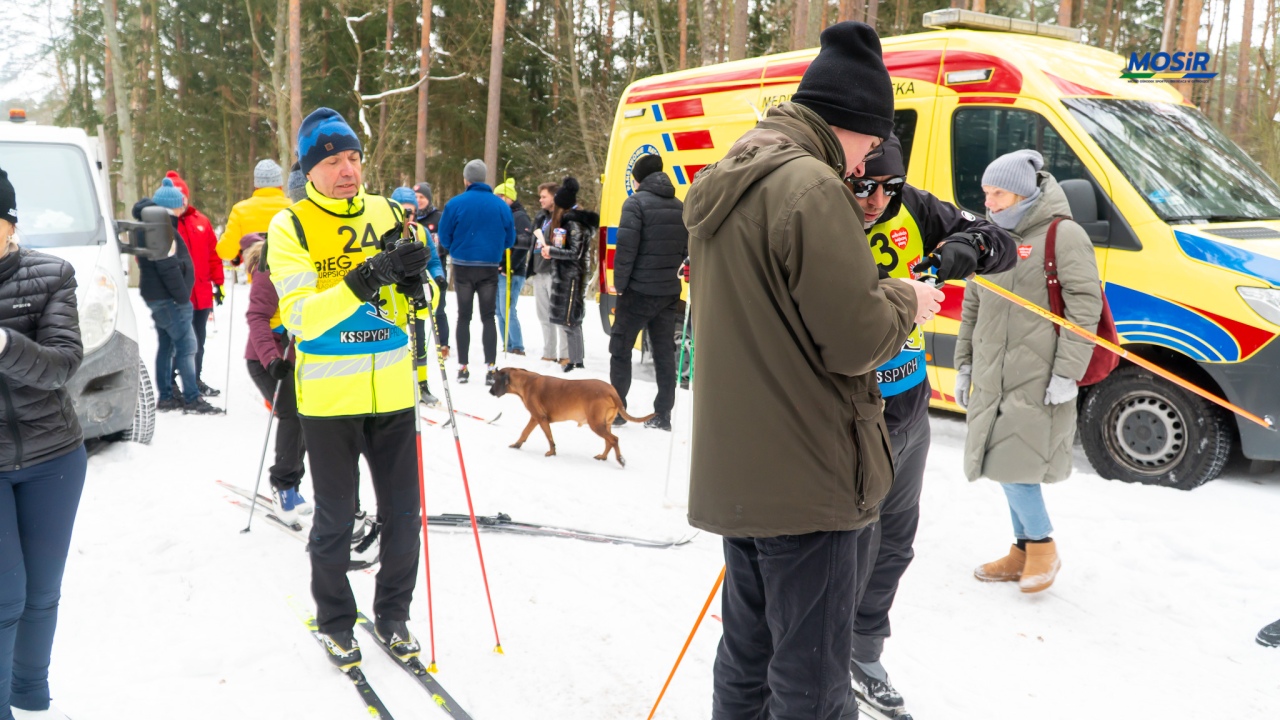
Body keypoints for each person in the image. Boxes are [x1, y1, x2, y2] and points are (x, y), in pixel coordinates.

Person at [680, 23, 943, 720]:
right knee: (814, 682)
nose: (865, 163)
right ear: (852, 123)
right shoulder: (812, 185)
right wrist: (907, 298)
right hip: (810, 476)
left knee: (748, 655)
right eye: (869, 141)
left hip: (744, 469)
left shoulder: (734, 170)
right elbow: (855, 340)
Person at [846, 133, 1017, 717]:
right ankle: (815, 648)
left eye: (886, 188)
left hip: (909, 402)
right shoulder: (822, 211)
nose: (873, 200)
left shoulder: (915, 207)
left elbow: (1001, 240)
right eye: (863, 185)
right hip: (851, 410)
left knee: (894, 543)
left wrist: (967, 247)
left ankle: (863, 653)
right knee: (846, 543)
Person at [267, 107, 430, 667]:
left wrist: (415, 280)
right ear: (309, 170)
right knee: (336, 516)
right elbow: (301, 318)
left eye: (354, 158)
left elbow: (423, 303)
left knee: (404, 515)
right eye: (333, 160)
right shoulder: (290, 225)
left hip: (392, 392)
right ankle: (336, 619)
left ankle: (394, 615)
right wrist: (362, 280)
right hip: (330, 398)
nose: (347, 170)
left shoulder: (388, 211)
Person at [954, 149, 1102, 595]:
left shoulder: (1063, 235)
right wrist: (964, 364)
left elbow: (1083, 306)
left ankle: (1042, 548)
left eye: (997, 192)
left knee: (1016, 467)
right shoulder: (990, 235)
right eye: (985, 193)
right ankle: (1021, 551)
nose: (989, 202)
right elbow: (973, 304)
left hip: (1038, 374)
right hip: (993, 372)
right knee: (1003, 461)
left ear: (1022, 191)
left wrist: (1067, 373)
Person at [0, 167, 89, 720]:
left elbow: (62, 364)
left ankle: (30, 692)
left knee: (41, 592)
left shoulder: (52, 273)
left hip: (53, 455)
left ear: (10, 224)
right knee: (4, 595)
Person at [608, 154, 688, 431]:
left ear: (639, 178)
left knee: (620, 349)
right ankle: (662, 414)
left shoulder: (635, 204)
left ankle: (617, 411)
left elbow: (625, 251)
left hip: (637, 292)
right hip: (667, 293)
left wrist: (620, 286)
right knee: (664, 352)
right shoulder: (680, 206)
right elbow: (686, 253)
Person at [240, 233, 312, 520]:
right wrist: (271, 358)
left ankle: (293, 484)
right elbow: (256, 317)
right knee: (292, 415)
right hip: (265, 360)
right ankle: (282, 485)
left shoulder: (307, 265)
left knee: (307, 417)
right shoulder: (269, 271)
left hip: (296, 356)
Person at [135, 180, 223, 416]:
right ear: (171, 206)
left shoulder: (156, 224)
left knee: (167, 345)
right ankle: (192, 398)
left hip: (162, 296)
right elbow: (167, 265)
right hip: (169, 298)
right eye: (179, 204)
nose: (183, 207)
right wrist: (183, 296)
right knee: (187, 346)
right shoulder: (160, 226)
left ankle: (166, 396)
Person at [437, 160, 515, 386]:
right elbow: (510, 238)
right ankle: (491, 368)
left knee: (464, 316)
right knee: (488, 316)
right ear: (485, 179)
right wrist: (495, 249)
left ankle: (463, 367)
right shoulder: (500, 205)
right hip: (489, 266)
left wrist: (457, 249)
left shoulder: (455, 204)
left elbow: (444, 236)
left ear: (466, 179)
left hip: (462, 265)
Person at [162, 171, 225, 397]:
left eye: (184, 197)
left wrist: (219, 284)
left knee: (198, 341)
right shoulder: (162, 224)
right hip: (175, 296)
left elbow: (213, 256)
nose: (182, 201)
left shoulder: (202, 222)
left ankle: (194, 380)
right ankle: (171, 384)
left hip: (201, 295)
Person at [391, 186, 444, 407]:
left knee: (419, 341)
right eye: (402, 212)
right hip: (391, 298)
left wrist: (438, 276)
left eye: (411, 213)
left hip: (416, 295)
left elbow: (433, 260)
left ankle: (422, 385)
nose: (407, 217)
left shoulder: (420, 231)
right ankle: (396, 385)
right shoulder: (381, 230)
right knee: (395, 343)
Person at [540, 177, 597, 373]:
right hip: (567, 276)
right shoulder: (569, 222)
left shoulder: (574, 224)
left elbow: (575, 253)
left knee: (572, 321)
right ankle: (576, 360)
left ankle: (575, 361)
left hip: (572, 277)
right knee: (570, 321)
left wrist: (552, 251)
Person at [218, 159, 292, 263]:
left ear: (256, 185)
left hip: (258, 275)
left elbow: (225, 252)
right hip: (292, 274)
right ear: (280, 184)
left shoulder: (240, 210)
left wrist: (240, 252)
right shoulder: (294, 206)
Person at [493, 178, 533, 356]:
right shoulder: (502, 215)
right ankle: (507, 344)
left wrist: (510, 266)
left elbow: (523, 246)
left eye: (501, 196)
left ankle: (517, 346)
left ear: (508, 197)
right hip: (500, 269)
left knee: (508, 309)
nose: (498, 199)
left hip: (512, 271)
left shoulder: (519, 216)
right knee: (499, 311)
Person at [528, 182, 566, 363]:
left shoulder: (563, 217)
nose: (540, 200)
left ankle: (565, 355)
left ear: (554, 197)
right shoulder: (541, 217)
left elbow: (566, 244)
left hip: (555, 272)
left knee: (559, 315)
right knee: (544, 316)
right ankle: (549, 352)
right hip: (539, 270)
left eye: (544, 196)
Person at [414, 183, 450, 359]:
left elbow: (446, 239)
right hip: (416, 271)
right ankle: (417, 345)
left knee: (439, 309)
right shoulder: (411, 220)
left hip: (435, 268)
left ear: (428, 199)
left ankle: (443, 344)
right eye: (416, 197)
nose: (419, 200)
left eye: (422, 197)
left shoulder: (438, 217)